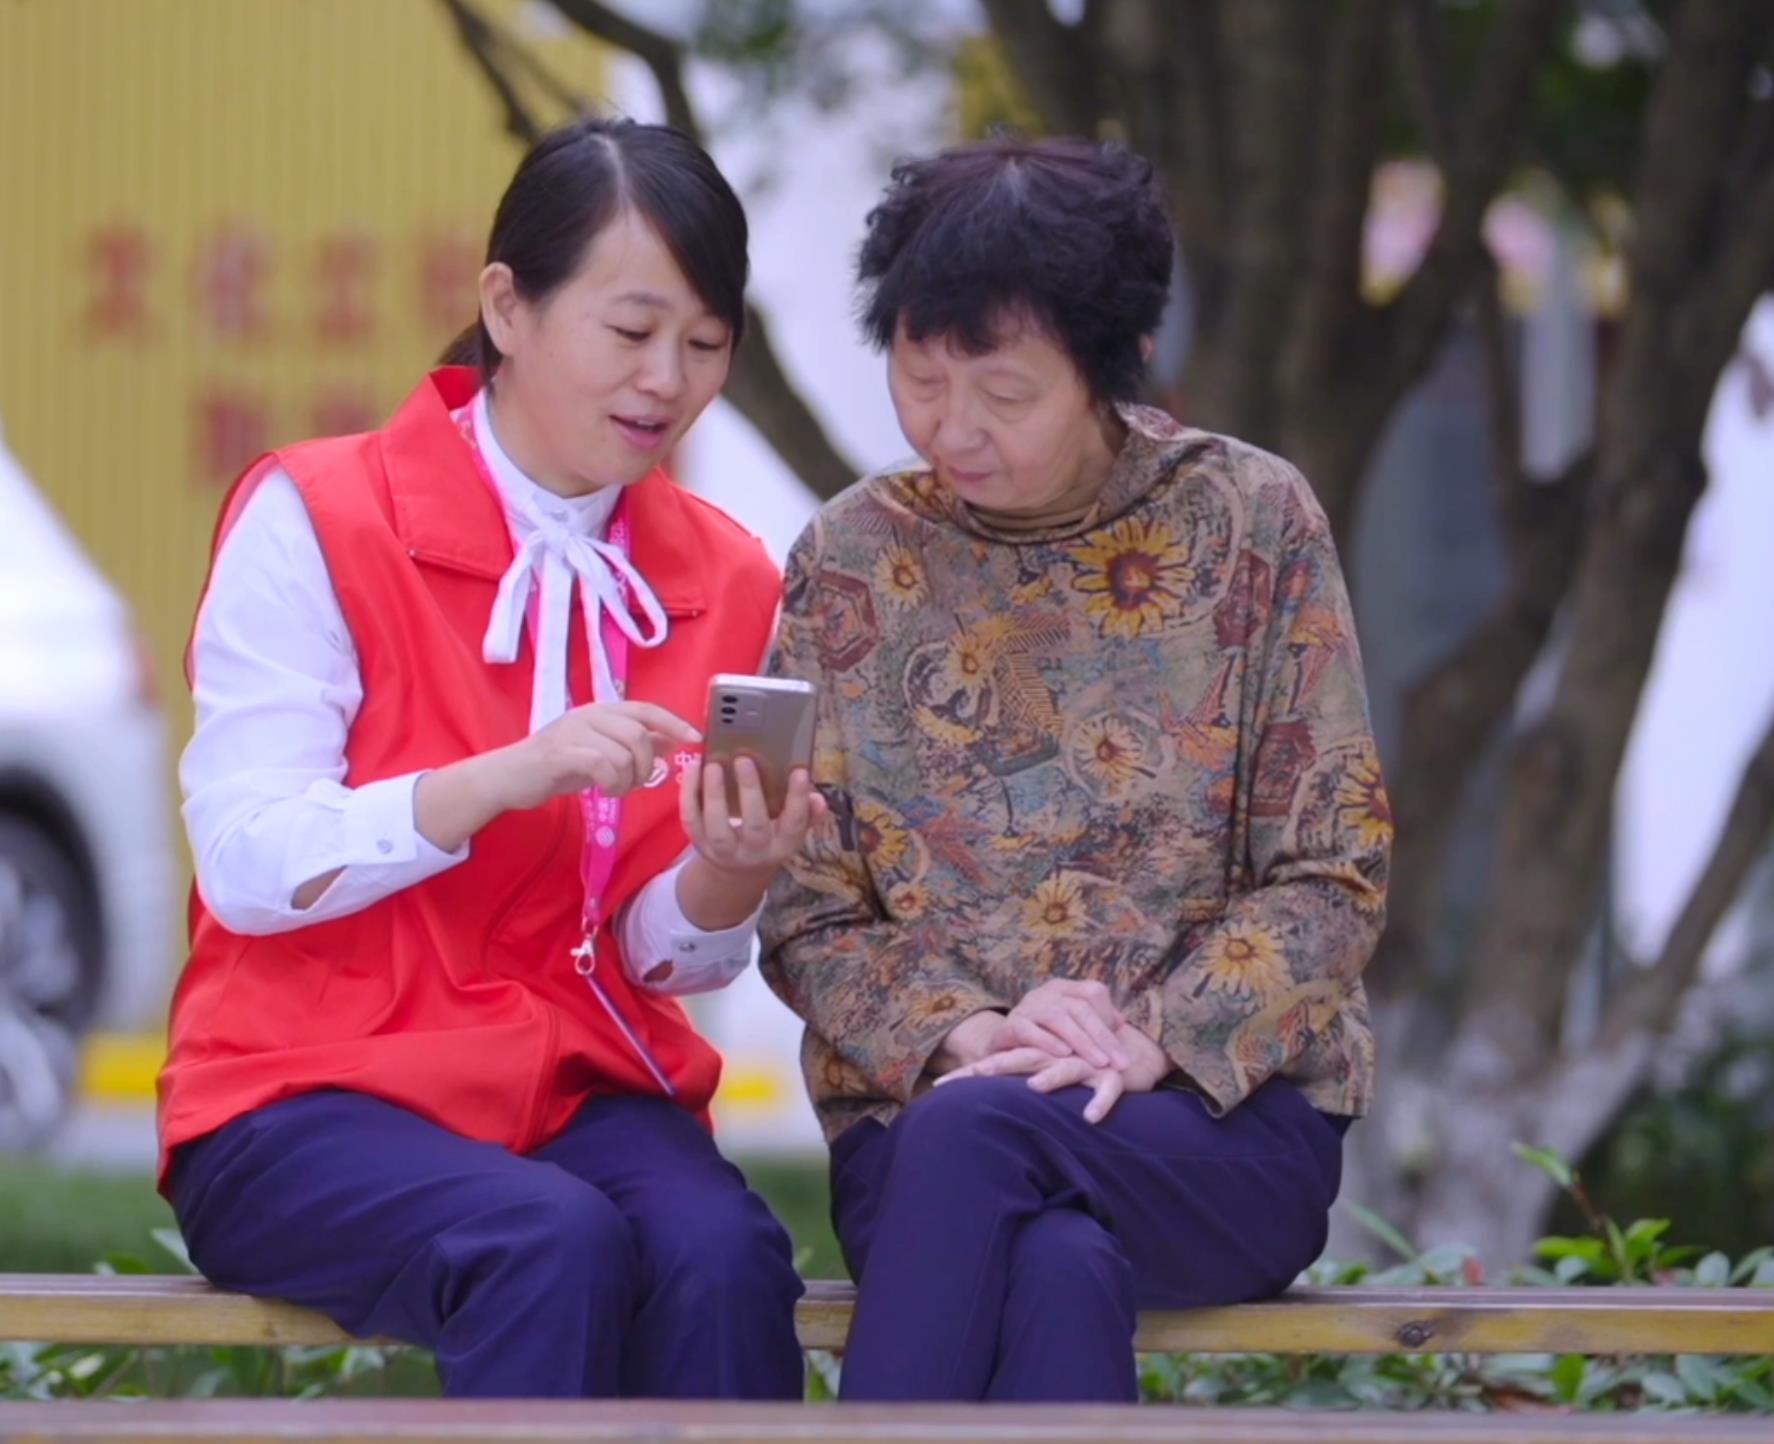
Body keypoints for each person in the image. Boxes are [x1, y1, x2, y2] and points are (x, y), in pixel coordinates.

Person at [158, 116, 821, 1400]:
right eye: (630, 331)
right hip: (298, 1091)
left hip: (574, 1085)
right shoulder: (320, 513)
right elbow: (246, 862)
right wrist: (509, 774)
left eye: (704, 344)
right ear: (506, 307)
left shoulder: (728, 574)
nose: (666, 381)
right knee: (545, 1240)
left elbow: (651, 953)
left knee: (726, 1254)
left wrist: (732, 873)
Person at [760, 136, 1392, 1403]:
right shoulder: (849, 560)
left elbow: (1333, 872)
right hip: (921, 1115)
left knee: (985, 1136)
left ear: (1115, 362)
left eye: (1003, 391)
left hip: (1212, 1127)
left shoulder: (1251, 522)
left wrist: (1144, 1041)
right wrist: (973, 1034)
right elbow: (807, 907)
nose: (953, 428)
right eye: (921, 378)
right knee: (1049, 1259)